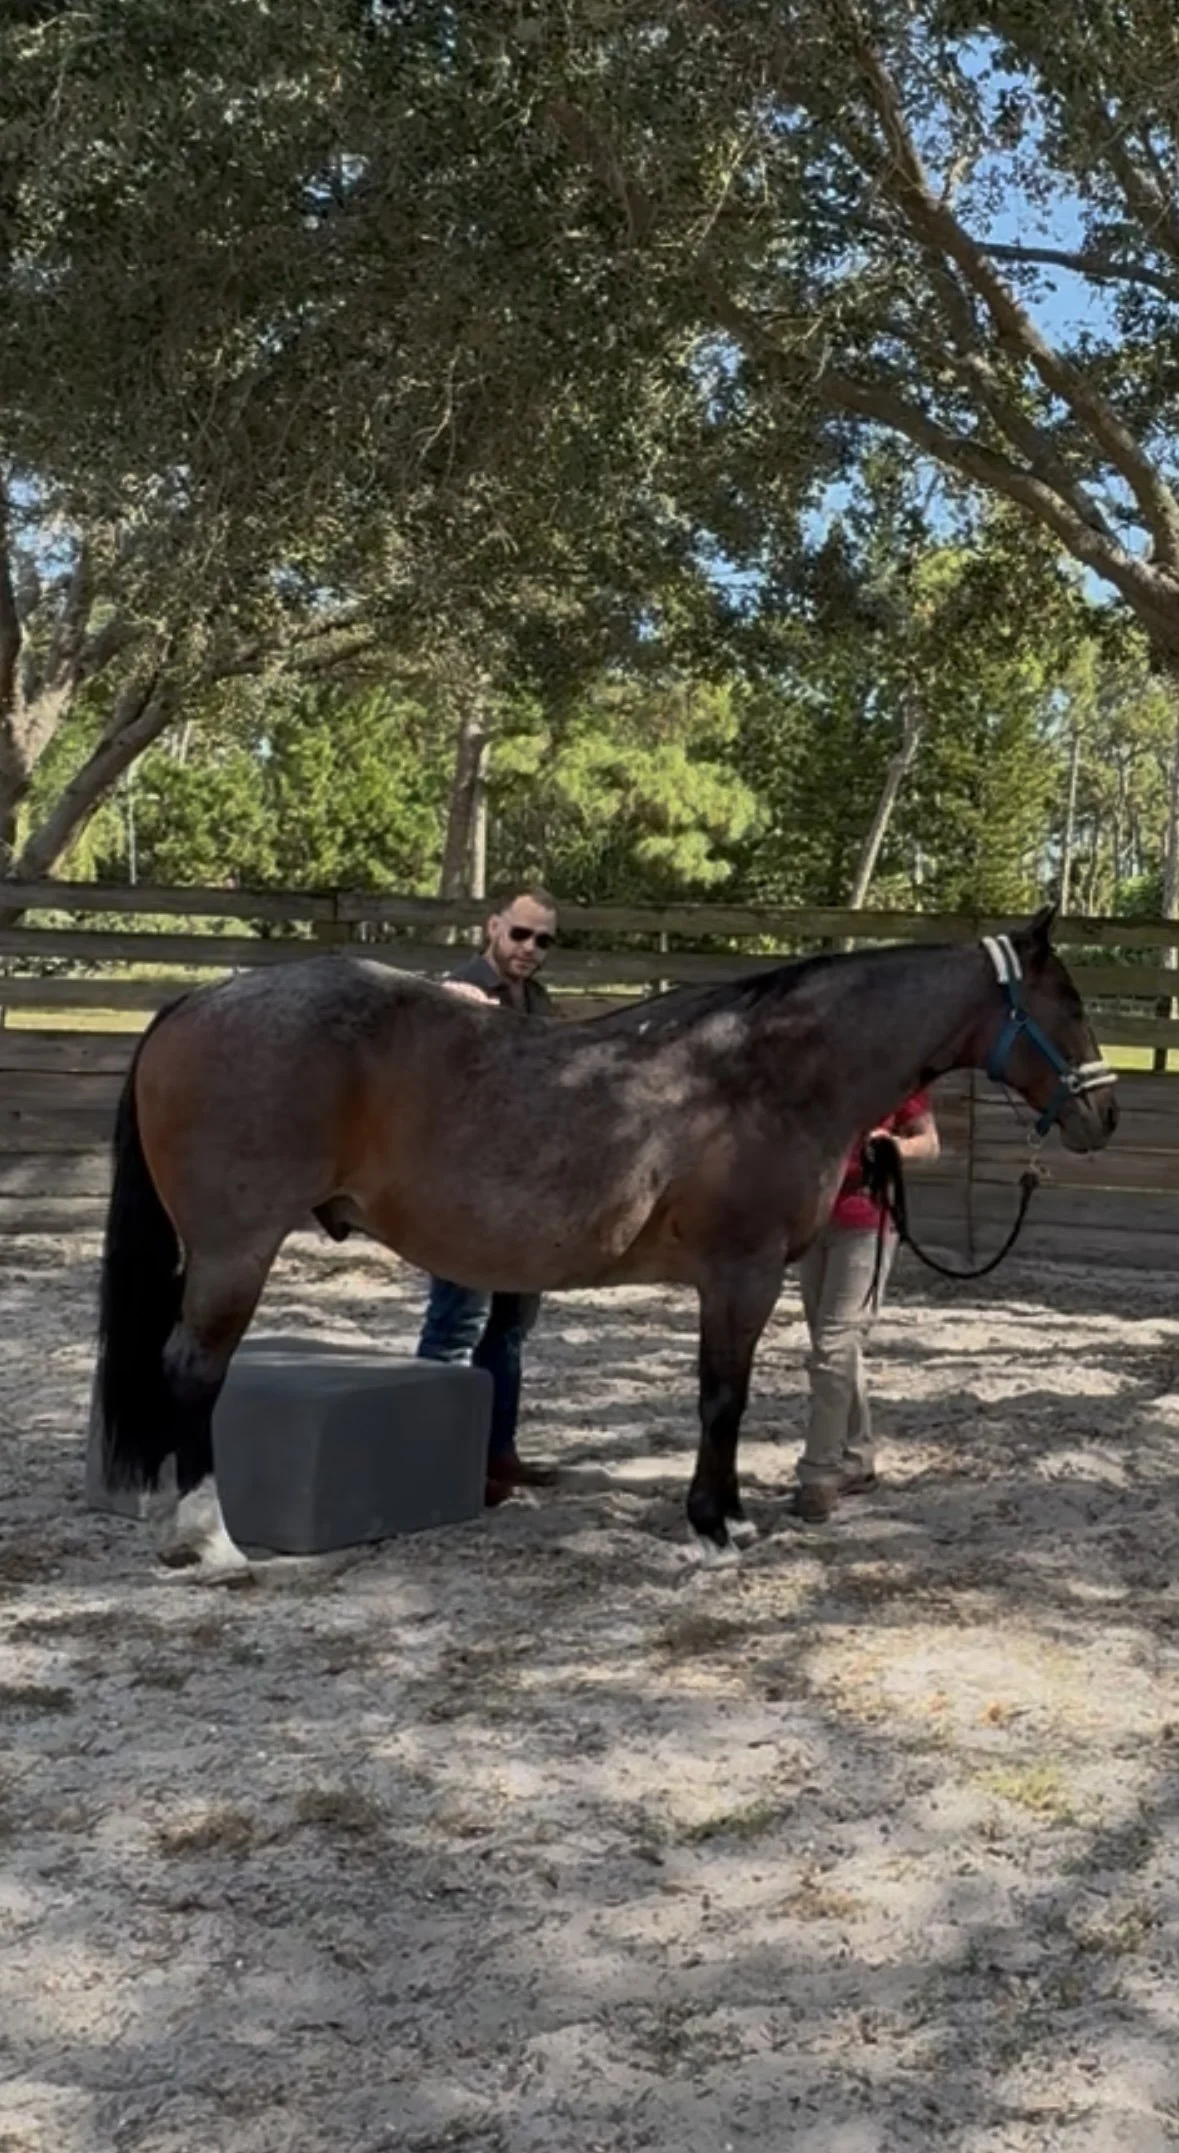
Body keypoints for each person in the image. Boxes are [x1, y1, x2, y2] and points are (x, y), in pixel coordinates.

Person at [417, 884, 560, 1506]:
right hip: (464, 1191)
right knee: (456, 1325)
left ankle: (496, 1456)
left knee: (508, 1327)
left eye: (544, 940)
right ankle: (434, 1465)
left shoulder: (540, 1001)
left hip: (524, 1191)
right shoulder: (455, 992)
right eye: (520, 933)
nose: (530, 948)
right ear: (493, 927)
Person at [790, 1090, 940, 1524]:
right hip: (811, 1221)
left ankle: (818, 1473)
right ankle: (857, 1457)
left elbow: (929, 1142)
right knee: (835, 1345)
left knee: (833, 1348)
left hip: (866, 1222)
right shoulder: (813, 1068)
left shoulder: (896, 1072)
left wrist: (896, 1147)